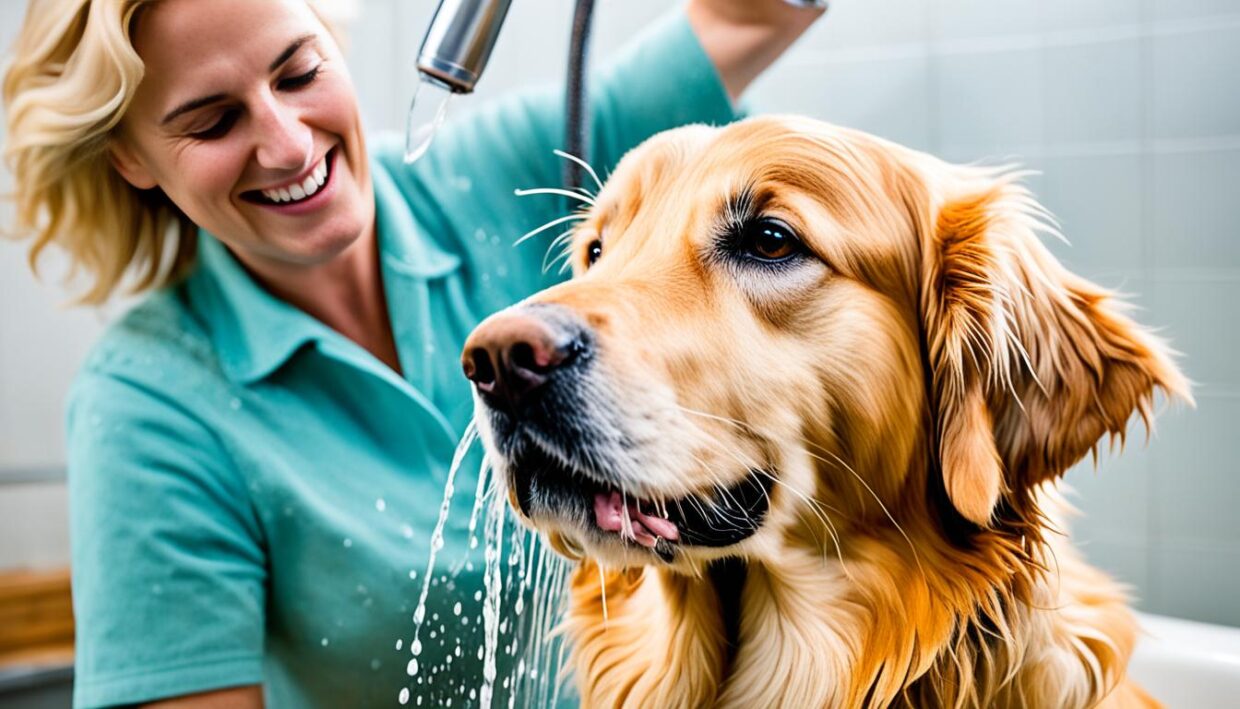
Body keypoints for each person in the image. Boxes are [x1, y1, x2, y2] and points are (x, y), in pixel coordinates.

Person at [2, 0, 823, 706]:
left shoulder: (511, 173)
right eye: (213, 122)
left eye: (297, 73)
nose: (287, 146)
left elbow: (755, 15)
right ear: (131, 158)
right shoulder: (148, 406)